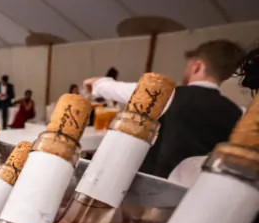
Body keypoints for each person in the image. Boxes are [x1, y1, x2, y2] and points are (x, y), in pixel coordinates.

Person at [84, 39, 245, 178]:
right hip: (196, 194)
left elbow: (128, 91)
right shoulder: (237, 112)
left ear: (197, 67)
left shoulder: (170, 96)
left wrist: (97, 83)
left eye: (187, 66)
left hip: (155, 188)